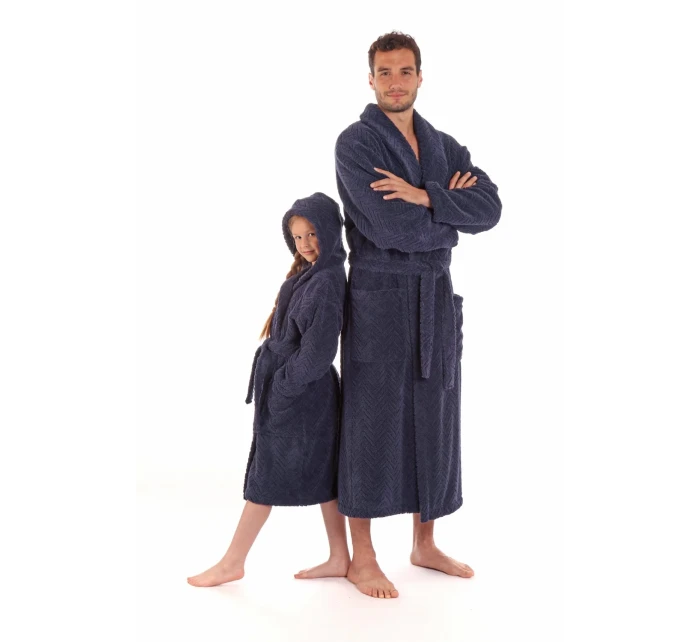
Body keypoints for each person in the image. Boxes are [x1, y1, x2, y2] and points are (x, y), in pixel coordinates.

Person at [334, 32, 502, 599]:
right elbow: (389, 226)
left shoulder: (444, 146)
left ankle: (424, 543)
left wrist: (426, 194)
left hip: (434, 295)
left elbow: (490, 207)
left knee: (435, 415)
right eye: (385, 72)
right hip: (379, 296)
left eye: (405, 71)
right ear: (371, 79)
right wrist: (451, 219)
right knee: (370, 420)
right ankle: (362, 557)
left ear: (420, 77)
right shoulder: (356, 143)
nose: (395, 81)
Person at [187, 193, 351, 587]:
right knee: (323, 472)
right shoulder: (308, 275)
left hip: (302, 395)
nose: (305, 243)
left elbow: (318, 352)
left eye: (312, 233)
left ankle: (233, 562)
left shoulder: (326, 281)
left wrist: (282, 387)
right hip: (301, 393)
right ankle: (340, 557)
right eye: (297, 237)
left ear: (329, 231)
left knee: (266, 475)